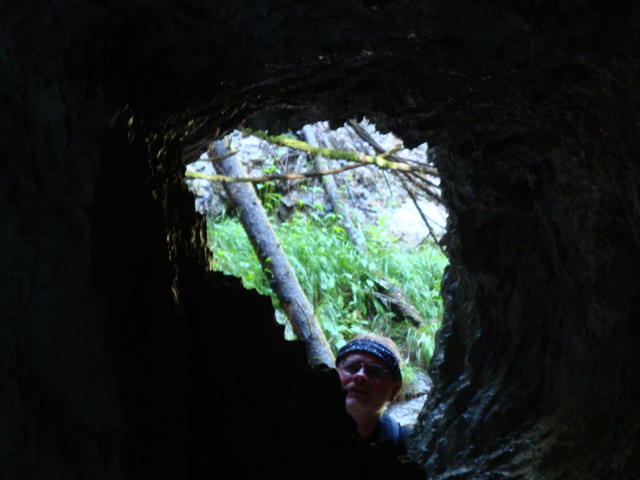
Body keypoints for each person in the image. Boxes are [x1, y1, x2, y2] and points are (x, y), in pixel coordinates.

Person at [335, 333, 411, 451]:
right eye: (351, 367)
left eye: (374, 372)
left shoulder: (409, 446)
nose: (360, 376)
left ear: (394, 390)